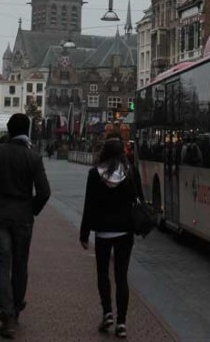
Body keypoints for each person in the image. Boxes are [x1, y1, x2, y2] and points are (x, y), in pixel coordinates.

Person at [0, 113, 51, 339]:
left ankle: (6, 314)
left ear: (8, 130)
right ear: (27, 131)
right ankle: (16, 307)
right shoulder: (33, 157)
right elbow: (44, 192)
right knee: (20, 262)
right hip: (23, 217)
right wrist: (31, 209)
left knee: (1, 264)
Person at [79, 138, 142, 339]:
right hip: (125, 231)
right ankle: (122, 322)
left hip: (103, 231)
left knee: (102, 273)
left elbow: (89, 205)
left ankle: (107, 312)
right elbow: (137, 198)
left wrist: (84, 233)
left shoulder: (94, 174)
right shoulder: (130, 172)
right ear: (122, 153)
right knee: (121, 276)